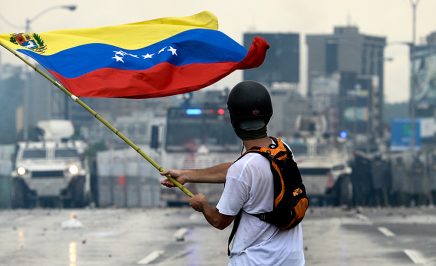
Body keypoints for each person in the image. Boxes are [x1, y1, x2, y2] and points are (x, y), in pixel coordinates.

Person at [161, 81, 305, 265]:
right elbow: (240, 169)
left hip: (255, 260)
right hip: (291, 259)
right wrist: (187, 175)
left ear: (234, 120)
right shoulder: (282, 149)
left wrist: (203, 204)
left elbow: (220, 221)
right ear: (268, 114)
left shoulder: (244, 169)